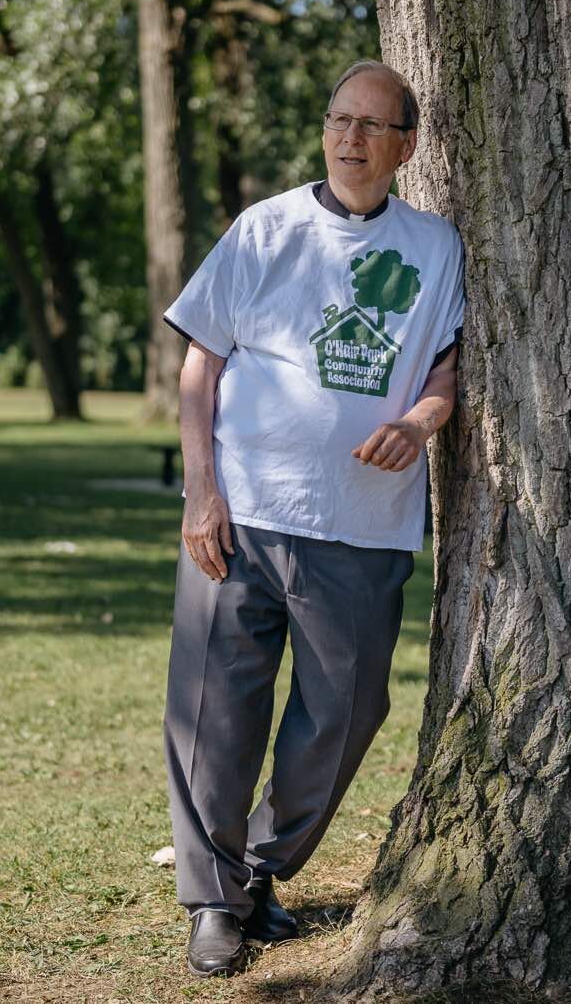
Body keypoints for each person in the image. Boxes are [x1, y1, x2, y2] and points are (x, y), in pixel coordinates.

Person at [160, 59, 464, 977]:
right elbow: (199, 368)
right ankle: (213, 902)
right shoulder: (265, 229)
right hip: (241, 513)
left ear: (406, 145)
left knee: (343, 714)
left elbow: (444, 369)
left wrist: (418, 421)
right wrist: (200, 491)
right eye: (339, 119)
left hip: (363, 525)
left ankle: (258, 867)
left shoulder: (435, 246)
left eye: (374, 126)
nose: (351, 139)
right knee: (215, 713)